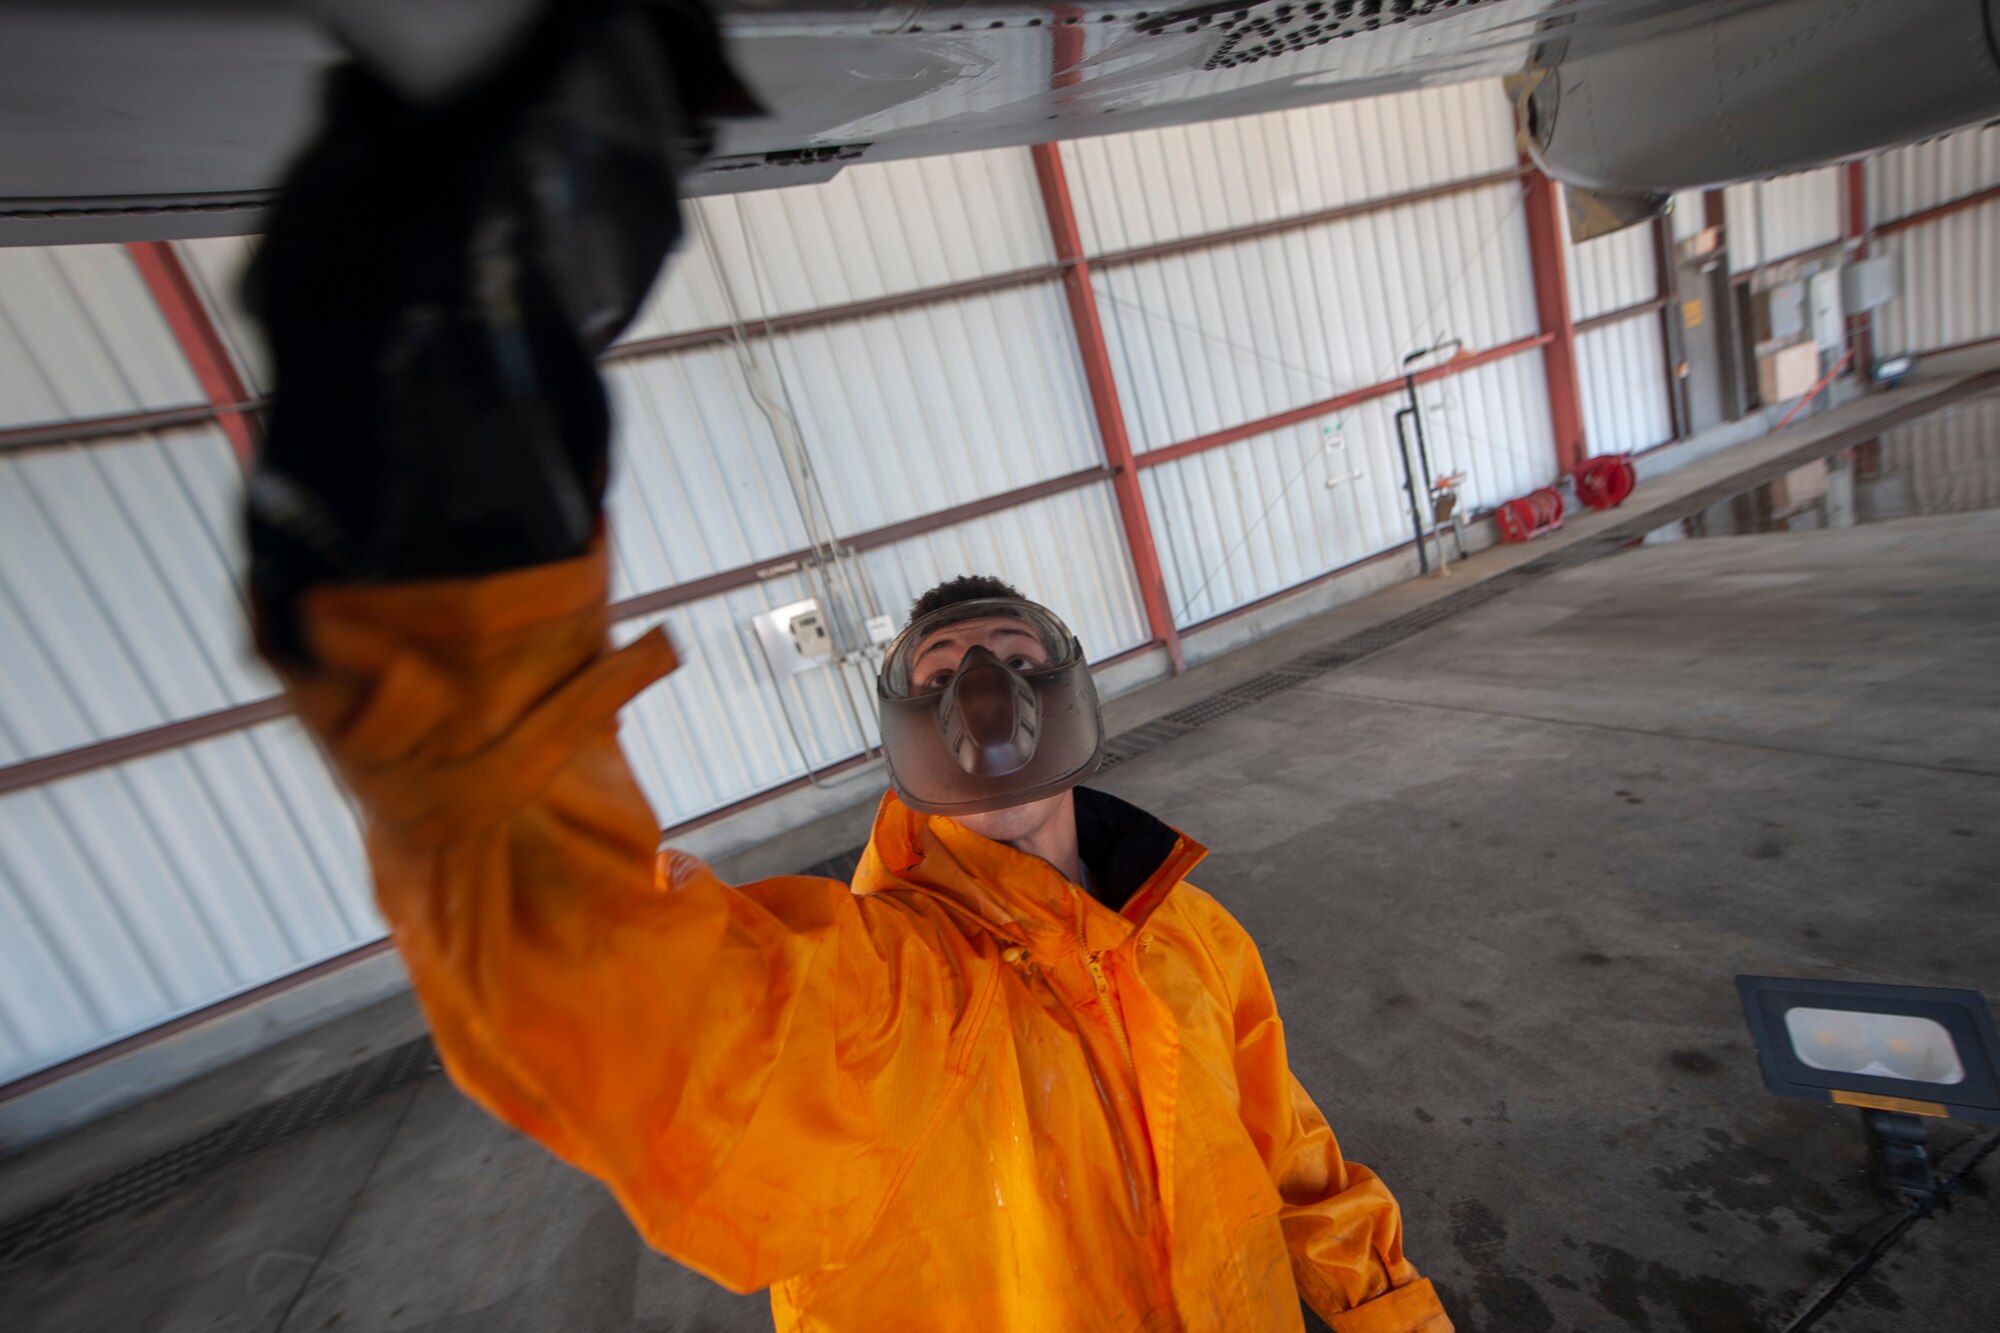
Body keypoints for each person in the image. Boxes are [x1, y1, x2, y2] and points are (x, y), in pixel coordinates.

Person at [245, 5, 1450, 1329]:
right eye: (939, 673)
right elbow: (621, 1013)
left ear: (1076, 690)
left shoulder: (1198, 942)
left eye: (1012, 655)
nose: (982, 691)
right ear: (900, 735)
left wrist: (1393, 1314)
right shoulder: (878, 997)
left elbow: (1296, 1157)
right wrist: (463, 612)